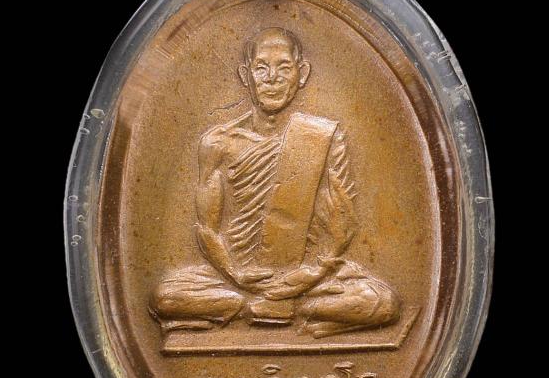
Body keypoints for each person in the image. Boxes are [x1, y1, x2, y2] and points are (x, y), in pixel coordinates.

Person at [150, 27, 400, 338]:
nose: (272, 78)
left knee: (382, 303)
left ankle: (271, 308)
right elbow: (207, 228)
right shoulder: (217, 143)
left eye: (284, 67)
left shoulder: (324, 136)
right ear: (246, 75)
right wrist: (236, 274)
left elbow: (342, 224)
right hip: (235, 277)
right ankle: (267, 307)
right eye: (261, 68)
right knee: (165, 297)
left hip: (308, 276)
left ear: (301, 74)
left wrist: (309, 275)